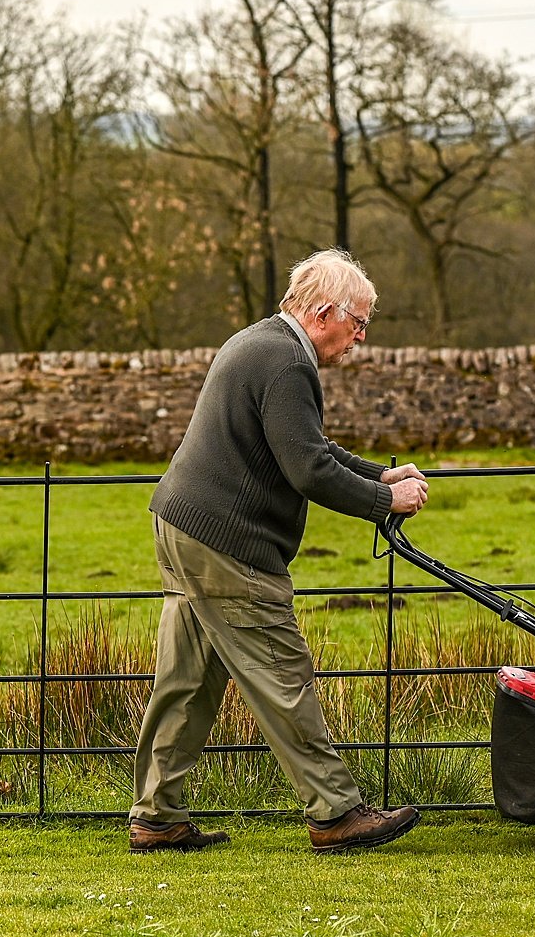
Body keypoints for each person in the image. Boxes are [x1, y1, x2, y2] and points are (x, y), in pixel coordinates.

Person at [129, 248, 429, 855]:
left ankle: (157, 816)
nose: (361, 338)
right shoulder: (287, 364)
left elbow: (308, 446)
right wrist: (382, 503)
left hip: (182, 527)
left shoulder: (259, 344)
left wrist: (380, 477)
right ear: (324, 313)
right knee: (282, 673)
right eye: (359, 323)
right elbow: (310, 469)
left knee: (186, 679)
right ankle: (337, 811)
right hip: (225, 543)